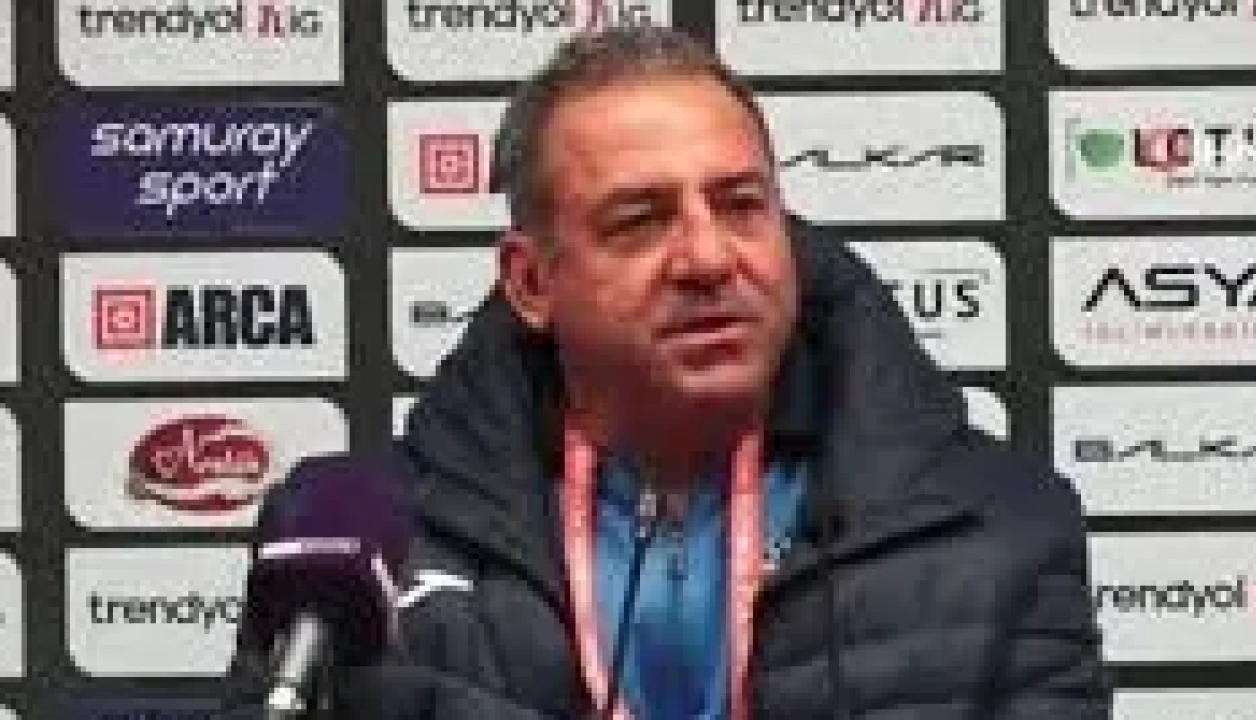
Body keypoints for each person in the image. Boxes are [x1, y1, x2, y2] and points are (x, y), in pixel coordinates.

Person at [227, 25, 1112, 719]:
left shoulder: (1001, 528)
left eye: (740, 205)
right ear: (530, 282)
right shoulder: (356, 547)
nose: (707, 258)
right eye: (640, 220)